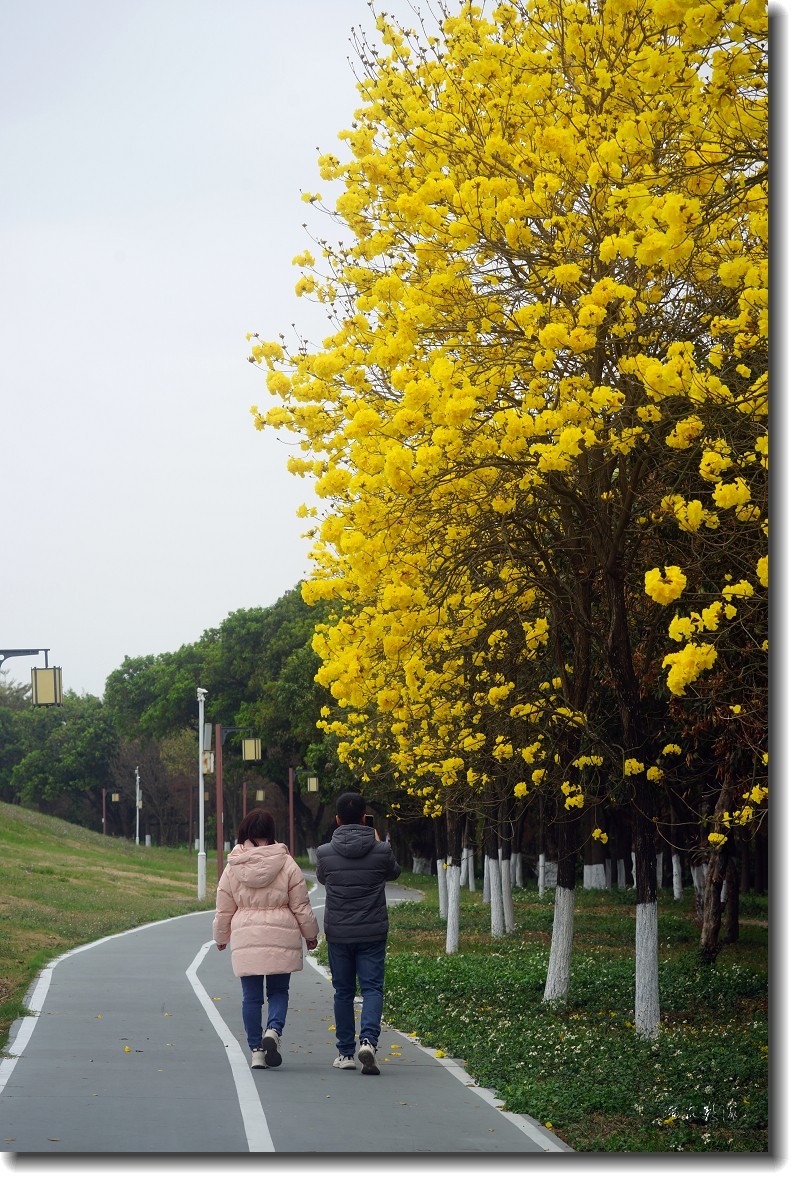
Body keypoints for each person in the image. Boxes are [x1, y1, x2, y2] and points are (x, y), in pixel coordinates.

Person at [213, 807, 319, 1070]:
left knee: (251, 997)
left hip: (247, 936)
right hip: (281, 934)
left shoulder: (233, 866)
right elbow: (301, 905)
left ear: (245, 832)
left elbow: (224, 906)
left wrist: (221, 936)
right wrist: (311, 935)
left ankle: (257, 1051)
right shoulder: (287, 863)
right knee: (279, 991)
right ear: (271, 832)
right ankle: (273, 1030)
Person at [315, 792, 401, 1075]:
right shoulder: (381, 851)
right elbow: (394, 873)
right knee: (372, 988)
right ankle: (368, 1041)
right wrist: (377, 845)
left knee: (343, 991)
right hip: (372, 932)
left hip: (339, 933)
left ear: (337, 820)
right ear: (365, 818)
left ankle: (345, 1053)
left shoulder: (325, 852)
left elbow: (322, 878)